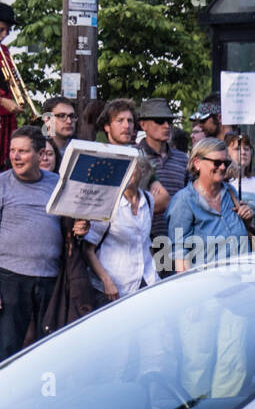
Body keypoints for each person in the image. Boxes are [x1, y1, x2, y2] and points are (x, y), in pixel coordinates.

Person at [0, 126, 64, 358]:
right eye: (12, 151)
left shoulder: (55, 183)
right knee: (7, 346)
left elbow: (69, 222)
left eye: (23, 152)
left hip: (49, 278)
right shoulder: (3, 184)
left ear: (40, 155)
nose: (15, 157)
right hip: (10, 278)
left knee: (46, 348)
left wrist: (79, 227)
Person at [164, 137, 255, 273]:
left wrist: (247, 220)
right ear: (197, 163)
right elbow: (180, 256)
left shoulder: (230, 193)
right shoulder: (184, 201)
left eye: (226, 162)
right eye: (217, 163)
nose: (223, 167)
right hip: (207, 286)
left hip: (241, 281)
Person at [82, 151, 158, 301]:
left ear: (142, 170)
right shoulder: (108, 202)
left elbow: (145, 241)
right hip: (115, 287)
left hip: (147, 280)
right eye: (121, 167)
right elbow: (88, 249)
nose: (125, 171)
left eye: (131, 166)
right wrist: (107, 281)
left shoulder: (148, 200)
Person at [136, 99, 187, 254]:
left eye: (169, 121)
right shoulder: (133, 156)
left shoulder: (183, 159)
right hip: (142, 243)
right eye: (159, 121)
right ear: (143, 124)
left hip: (177, 242)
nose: (166, 126)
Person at [225, 131, 255, 231]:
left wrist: (252, 227)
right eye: (237, 149)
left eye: (246, 149)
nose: (243, 152)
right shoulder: (221, 183)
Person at [0, 4, 19, 166]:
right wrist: (2, 101)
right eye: (1, 30)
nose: (4, 35)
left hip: (4, 123)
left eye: (7, 31)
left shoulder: (4, 51)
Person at [40, 96, 78, 166]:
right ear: (47, 120)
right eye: (61, 116)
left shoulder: (80, 149)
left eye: (72, 116)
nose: (69, 121)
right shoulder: (35, 150)